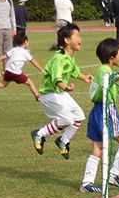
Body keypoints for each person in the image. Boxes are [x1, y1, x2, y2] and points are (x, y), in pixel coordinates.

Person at [30, 24, 93, 160]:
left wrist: (85, 78)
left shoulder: (70, 57)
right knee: (67, 119)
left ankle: (63, 140)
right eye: (77, 36)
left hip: (59, 93)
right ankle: (39, 134)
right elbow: (56, 78)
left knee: (79, 116)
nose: (80, 39)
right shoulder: (58, 58)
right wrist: (66, 87)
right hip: (49, 94)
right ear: (67, 40)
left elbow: (74, 71)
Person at [81, 38, 119, 193]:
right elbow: (106, 85)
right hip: (106, 109)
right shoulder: (106, 71)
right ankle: (113, 174)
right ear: (112, 56)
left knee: (97, 149)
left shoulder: (100, 70)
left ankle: (87, 183)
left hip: (96, 110)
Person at [0, 33, 43, 100]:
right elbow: (33, 61)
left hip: (8, 71)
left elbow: (5, 56)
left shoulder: (14, 50)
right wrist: (41, 69)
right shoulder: (25, 53)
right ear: (25, 42)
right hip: (16, 73)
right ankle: (38, 97)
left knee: (3, 84)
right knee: (30, 83)